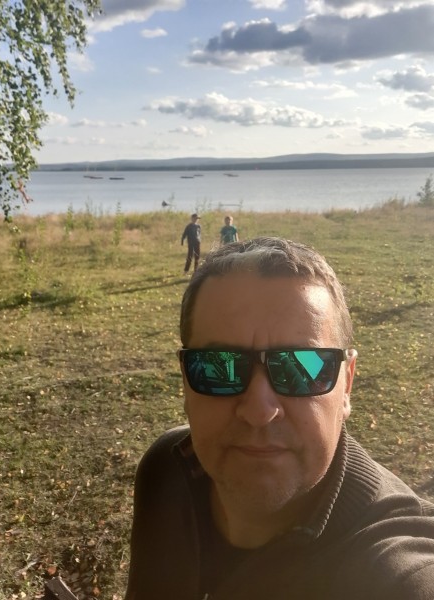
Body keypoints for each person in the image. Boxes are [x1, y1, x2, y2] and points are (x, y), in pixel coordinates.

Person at [125, 237, 434, 600]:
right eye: (218, 367)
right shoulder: (168, 469)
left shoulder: (397, 574)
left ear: (347, 384)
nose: (259, 411)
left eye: (301, 367)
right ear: (185, 381)